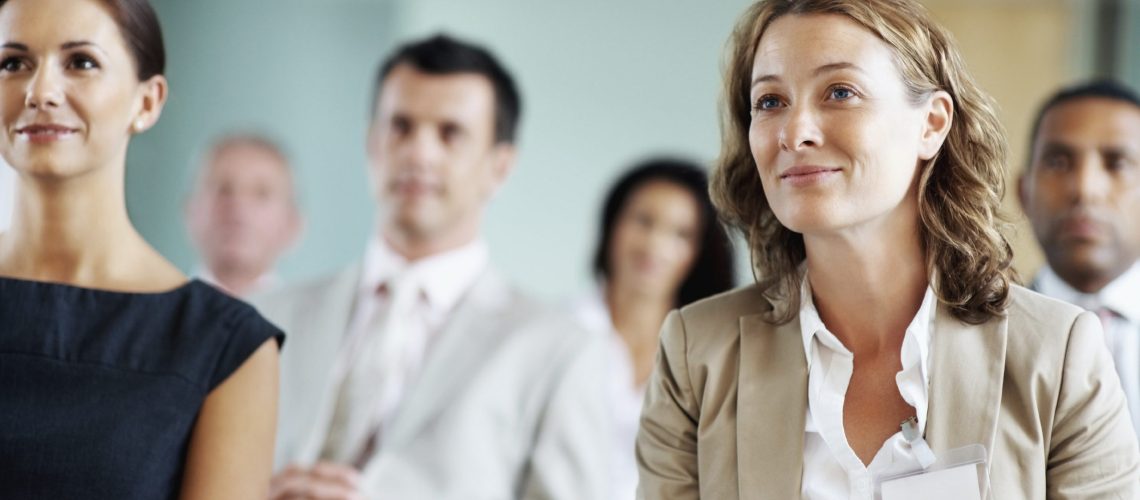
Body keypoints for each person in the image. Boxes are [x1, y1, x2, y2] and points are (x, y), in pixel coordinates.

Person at [635, 0, 1140, 498]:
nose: (794, 132)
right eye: (770, 101)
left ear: (932, 124)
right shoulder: (696, 354)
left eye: (839, 92)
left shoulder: (1057, 352)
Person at [254, 34, 608, 500]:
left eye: (450, 133)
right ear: (370, 144)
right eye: (400, 126)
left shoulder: (558, 352)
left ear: (499, 166)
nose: (419, 153)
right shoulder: (264, 316)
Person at [0, 0, 282, 498]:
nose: (39, 90)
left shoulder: (224, 350)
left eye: (81, 62)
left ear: (146, 103)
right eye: (13, 63)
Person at [569, 157, 734, 500]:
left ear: (699, 251)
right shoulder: (557, 333)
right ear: (613, 223)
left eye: (681, 234)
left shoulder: (715, 356)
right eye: (643, 221)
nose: (654, 245)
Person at [1020, 80, 1140, 438]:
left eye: (1116, 163)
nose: (1085, 188)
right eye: (1058, 162)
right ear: (1024, 193)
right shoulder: (977, 339)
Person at [185, 133, 301, 297]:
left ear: (292, 224)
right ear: (191, 211)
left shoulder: (313, 320)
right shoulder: (150, 315)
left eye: (261, 193)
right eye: (224, 189)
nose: (238, 208)